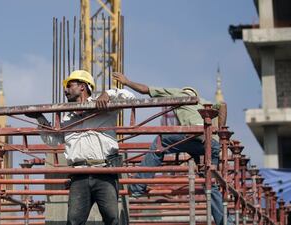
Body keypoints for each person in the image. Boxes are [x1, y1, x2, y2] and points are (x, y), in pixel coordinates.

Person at [112, 72, 230, 225]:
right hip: (210, 144)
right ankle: (226, 222)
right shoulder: (203, 101)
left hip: (197, 137)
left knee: (161, 141)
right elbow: (223, 105)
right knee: (211, 185)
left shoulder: (180, 94)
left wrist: (127, 82)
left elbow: (145, 90)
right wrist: (221, 135)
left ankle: (137, 187)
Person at [26, 70, 135, 225]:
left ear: (83, 86)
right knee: (74, 221)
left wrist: (108, 94)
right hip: (79, 175)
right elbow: (54, 140)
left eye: (70, 85)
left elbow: (130, 97)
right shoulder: (67, 116)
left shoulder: (104, 104)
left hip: (104, 172)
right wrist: (40, 118)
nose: (66, 90)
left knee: (112, 220)